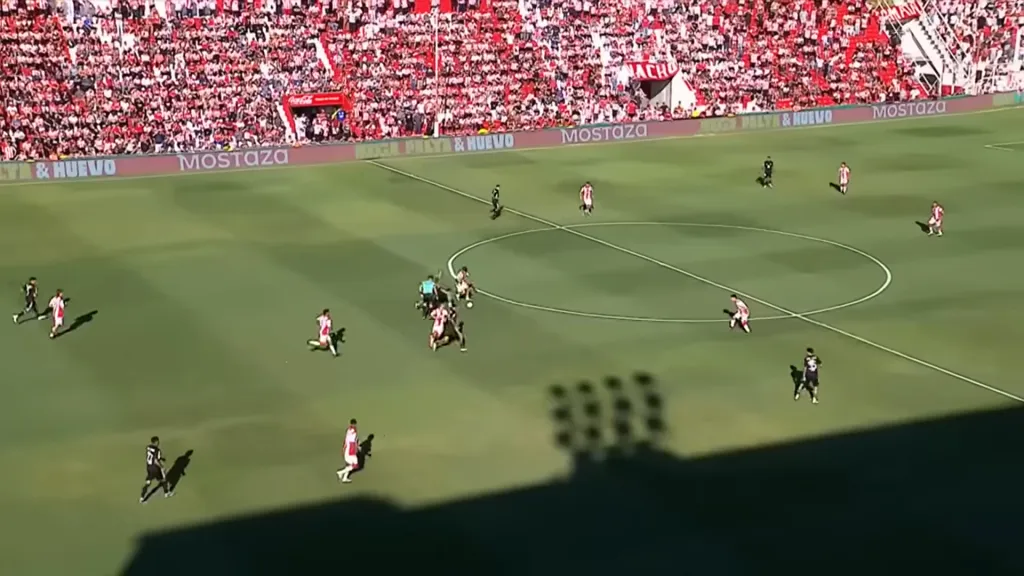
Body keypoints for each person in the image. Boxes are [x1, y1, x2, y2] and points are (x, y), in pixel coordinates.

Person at [140, 436, 173, 503]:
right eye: (158, 441)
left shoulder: (148, 447)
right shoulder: (158, 450)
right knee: (163, 479)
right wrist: (161, 467)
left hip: (149, 467)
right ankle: (166, 493)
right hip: (155, 468)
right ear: (156, 442)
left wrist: (161, 458)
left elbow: (152, 456)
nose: (159, 443)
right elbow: (155, 460)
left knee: (148, 483)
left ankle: (142, 498)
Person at [336, 419, 360, 483]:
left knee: (350, 465)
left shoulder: (348, 429)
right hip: (350, 450)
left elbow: (348, 440)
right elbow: (353, 440)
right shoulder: (353, 430)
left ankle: (344, 478)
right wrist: (357, 446)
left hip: (347, 449)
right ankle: (340, 472)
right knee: (355, 465)